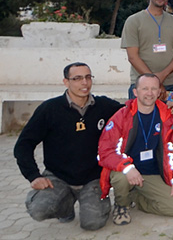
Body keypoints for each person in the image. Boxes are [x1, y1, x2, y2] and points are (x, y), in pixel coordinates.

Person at [14, 63, 122, 230]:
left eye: (87, 77)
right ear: (66, 82)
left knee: (92, 223)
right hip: (58, 177)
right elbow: (23, 145)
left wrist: (165, 105)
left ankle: (88, 203)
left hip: (93, 179)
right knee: (38, 210)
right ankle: (65, 208)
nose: (84, 83)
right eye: (77, 78)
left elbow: (131, 112)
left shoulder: (104, 106)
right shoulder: (49, 109)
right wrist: (33, 176)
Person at [98, 74, 173, 225]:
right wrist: (127, 168)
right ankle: (122, 205)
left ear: (159, 92)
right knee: (120, 177)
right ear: (135, 91)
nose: (149, 93)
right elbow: (105, 151)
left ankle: (135, 198)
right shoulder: (122, 116)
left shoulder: (168, 116)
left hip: (152, 172)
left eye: (154, 89)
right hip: (126, 171)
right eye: (145, 88)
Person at [121, 0, 173, 99]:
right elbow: (133, 57)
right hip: (141, 84)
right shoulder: (133, 21)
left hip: (172, 85)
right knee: (140, 118)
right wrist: (154, 80)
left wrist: (161, 76)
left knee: (172, 117)